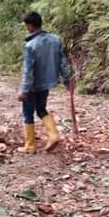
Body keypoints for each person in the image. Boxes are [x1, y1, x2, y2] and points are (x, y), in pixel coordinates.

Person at [18, 11, 73, 153]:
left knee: (28, 113)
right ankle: (53, 135)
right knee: (41, 109)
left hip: (32, 86)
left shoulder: (30, 45)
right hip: (47, 84)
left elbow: (27, 71)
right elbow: (62, 62)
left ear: (30, 26)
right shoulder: (55, 39)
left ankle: (29, 146)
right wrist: (67, 80)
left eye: (26, 25)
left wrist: (24, 90)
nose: (26, 28)